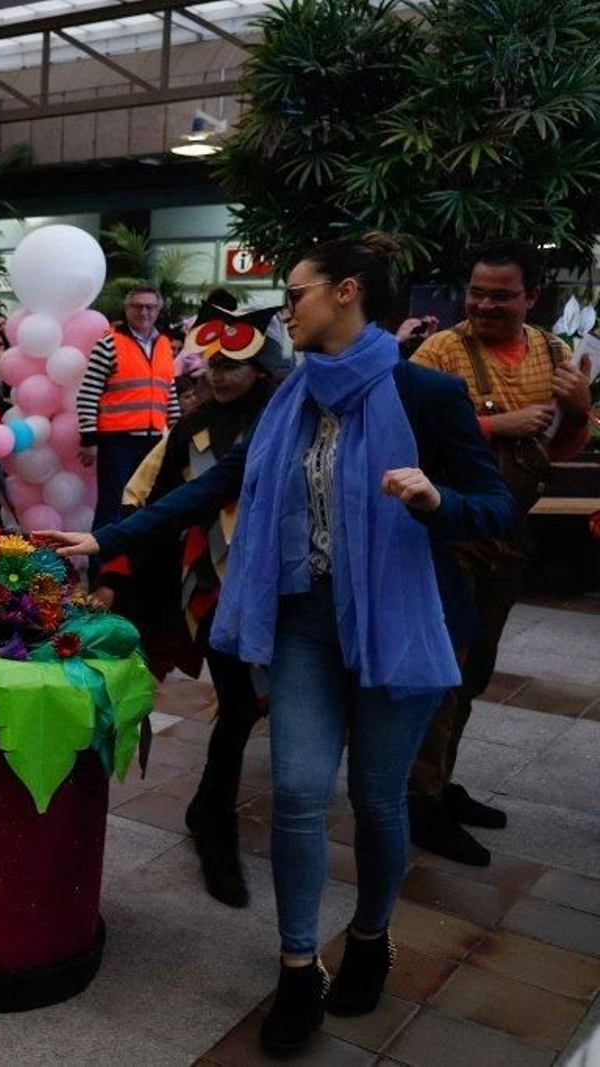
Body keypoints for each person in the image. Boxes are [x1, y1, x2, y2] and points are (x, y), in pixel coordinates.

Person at [41, 234, 514, 1053]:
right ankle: (298, 966)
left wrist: (438, 500)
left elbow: (494, 506)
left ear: (347, 292)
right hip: (302, 622)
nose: (284, 308)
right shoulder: (287, 399)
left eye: (295, 292)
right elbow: (216, 485)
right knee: (296, 792)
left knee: (376, 799)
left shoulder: (424, 395)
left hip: (398, 622)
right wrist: (108, 538)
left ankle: (370, 934)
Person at [404, 240, 594, 866]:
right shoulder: (440, 352)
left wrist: (579, 410)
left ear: (531, 297)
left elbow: (562, 449)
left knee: (477, 668)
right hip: (447, 531)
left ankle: (439, 781)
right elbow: (407, 434)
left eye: (500, 295)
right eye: (477, 291)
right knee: (445, 672)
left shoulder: (553, 352)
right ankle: (420, 801)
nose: (483, 304)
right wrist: (495, 426)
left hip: (510, 532)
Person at [95, 301, 284, 909]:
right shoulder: (189, 428)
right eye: (217, 362)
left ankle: (212, 812)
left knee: (245, 703)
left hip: (272, 583)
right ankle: (213, 818)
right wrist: (114, 576)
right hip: (199, 587)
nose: (224, 374)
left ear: (264, 366)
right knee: (231, 701)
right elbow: (141, 500)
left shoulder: (285, 418)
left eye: (239, 363)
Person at [76, 285, 182, 530]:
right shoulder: (109, 343)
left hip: (155, 440)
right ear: (127, 309)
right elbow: (88, 393)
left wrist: (178, 432)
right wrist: (88, 439)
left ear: (158, 310)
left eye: (150, 306)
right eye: (137, 306)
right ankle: (101, 567)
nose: (144, 312)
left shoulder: (164, 343)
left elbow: (171, 393)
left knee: (144, 504)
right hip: (117, 442)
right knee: (111, 507)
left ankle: (133, 565)